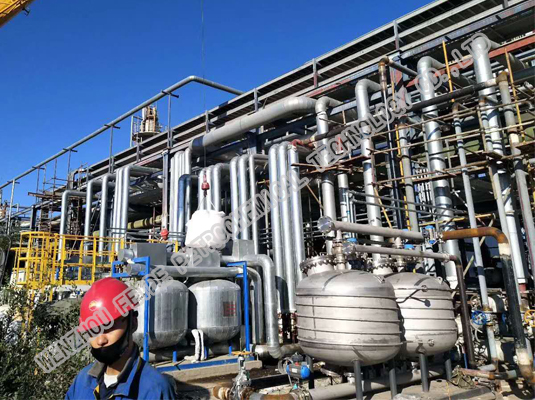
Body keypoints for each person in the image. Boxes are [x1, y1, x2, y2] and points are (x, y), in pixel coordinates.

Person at [66, 277, 176, 400]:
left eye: (109, 327)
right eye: (93, 331)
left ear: (133, 324)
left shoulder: (155, 390)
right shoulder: (82, 382)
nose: (100, 340)